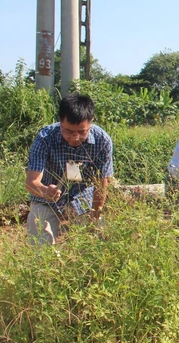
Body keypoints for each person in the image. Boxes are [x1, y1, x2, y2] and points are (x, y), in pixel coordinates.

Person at [25, 93, 114, 245]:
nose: (75, 137)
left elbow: (101, 184)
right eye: (69, 131)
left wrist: (95, 214)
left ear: (91, 122)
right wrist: (45, 191)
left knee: (93, 244)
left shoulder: (102, 140)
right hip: (47, 199)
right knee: (39, 235)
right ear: (60, 122)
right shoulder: (45, 138)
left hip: (83, 197)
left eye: (81, 132)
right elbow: (31, 182)